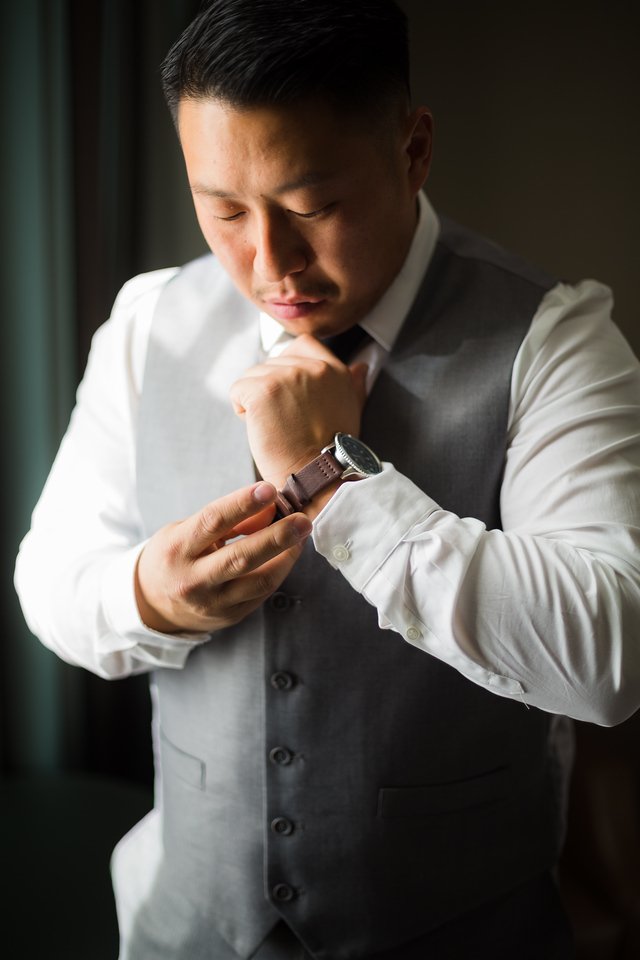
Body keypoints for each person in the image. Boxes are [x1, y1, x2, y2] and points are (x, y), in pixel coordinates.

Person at [14, 0, 640, 957]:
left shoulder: (556, 343)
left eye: (312, 207)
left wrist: (346, 485)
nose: (269, 264)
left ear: (414, 149)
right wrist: (151, 596)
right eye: (222, 210)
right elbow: (50, 581)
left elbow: (612, 655)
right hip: (182, 927)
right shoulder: (146, 324)